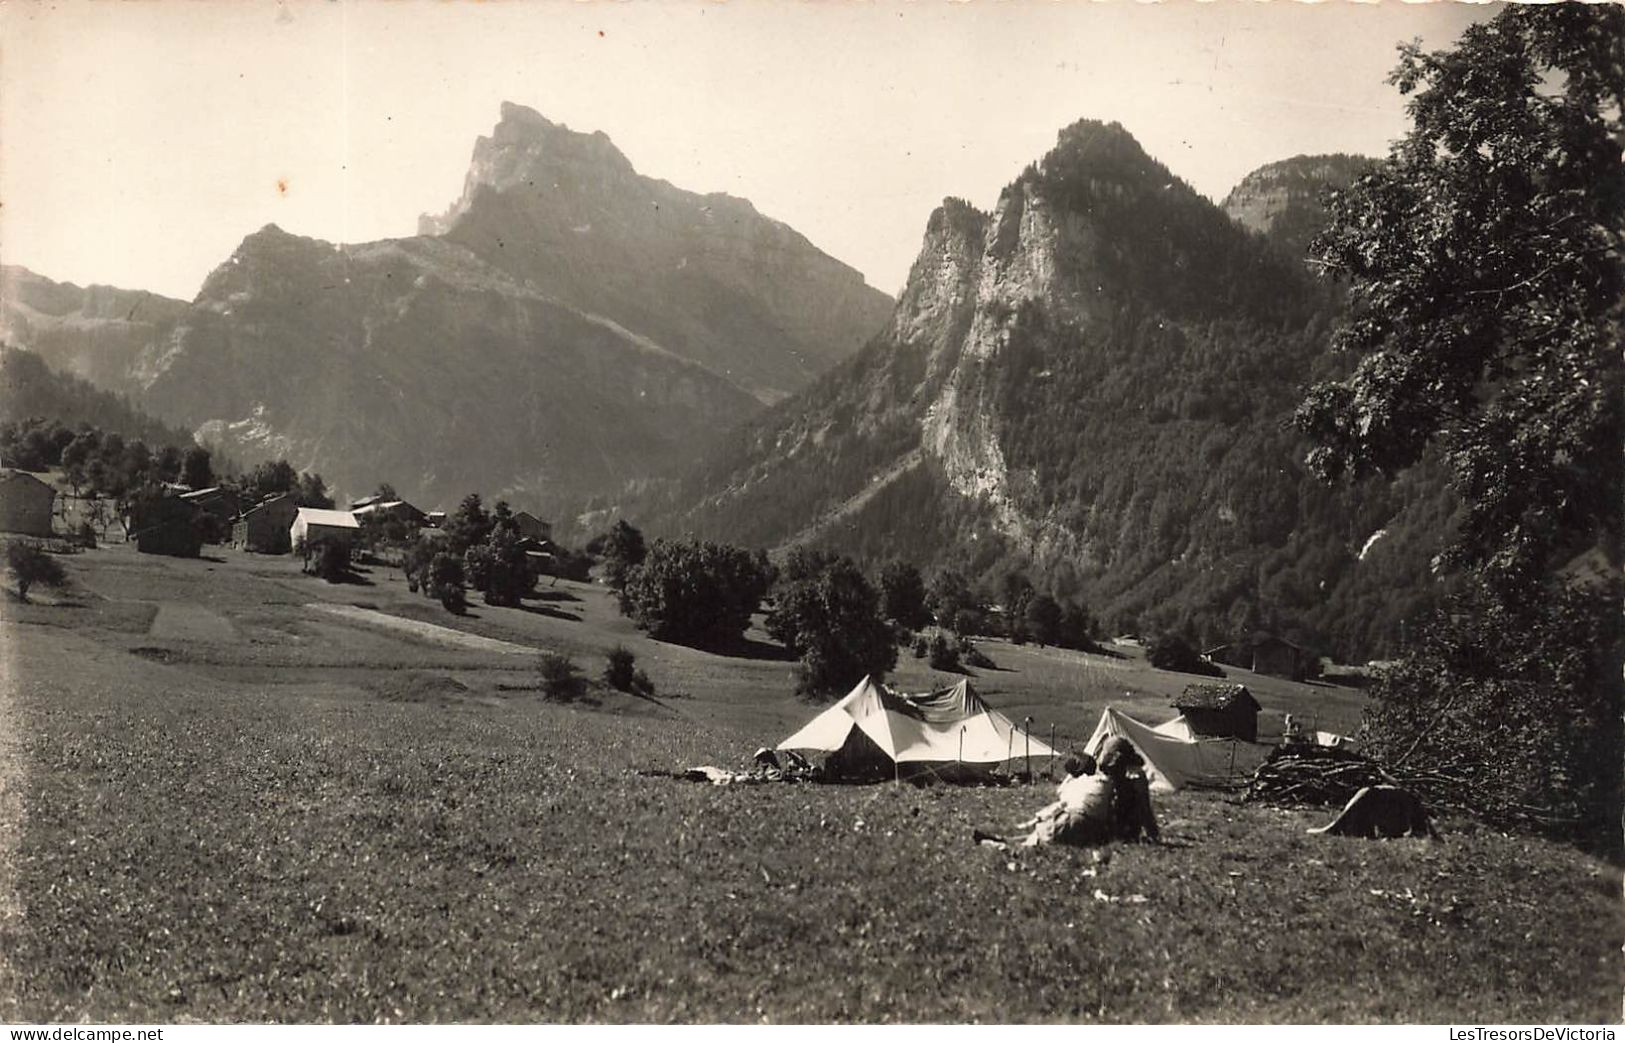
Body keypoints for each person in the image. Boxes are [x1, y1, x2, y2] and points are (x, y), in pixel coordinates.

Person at [974, 753, 1117, 849]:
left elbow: (1061, 804)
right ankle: (1002, 839)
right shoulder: (1105, 782)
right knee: (1037, 838)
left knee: (1030, 844)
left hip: (1073, 821)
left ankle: (995, 843)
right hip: (1092, 827)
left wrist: (1035, 820)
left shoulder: (1078, 784)